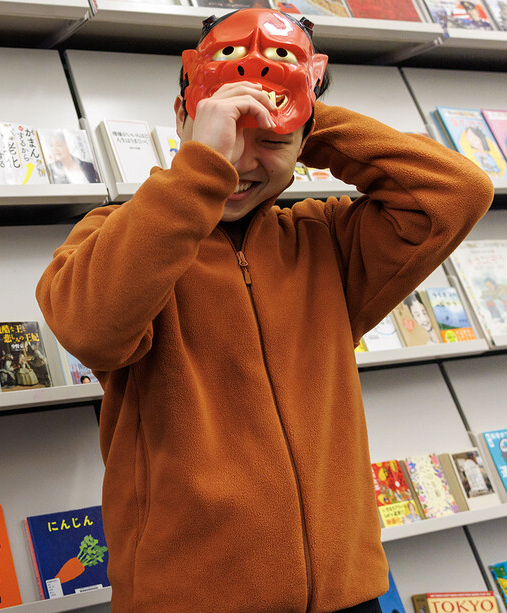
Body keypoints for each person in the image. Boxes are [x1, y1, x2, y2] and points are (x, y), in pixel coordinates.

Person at [35, 8, 492, 613]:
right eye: (226, 132)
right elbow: (90, 328)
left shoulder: (326, 240)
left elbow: (458, 191)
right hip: (187, 600)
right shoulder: (118, 236)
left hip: (348, 592)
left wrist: (297, 110)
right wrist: (202, 164)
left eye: (271, 141)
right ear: (184, 118)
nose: (244, 163)